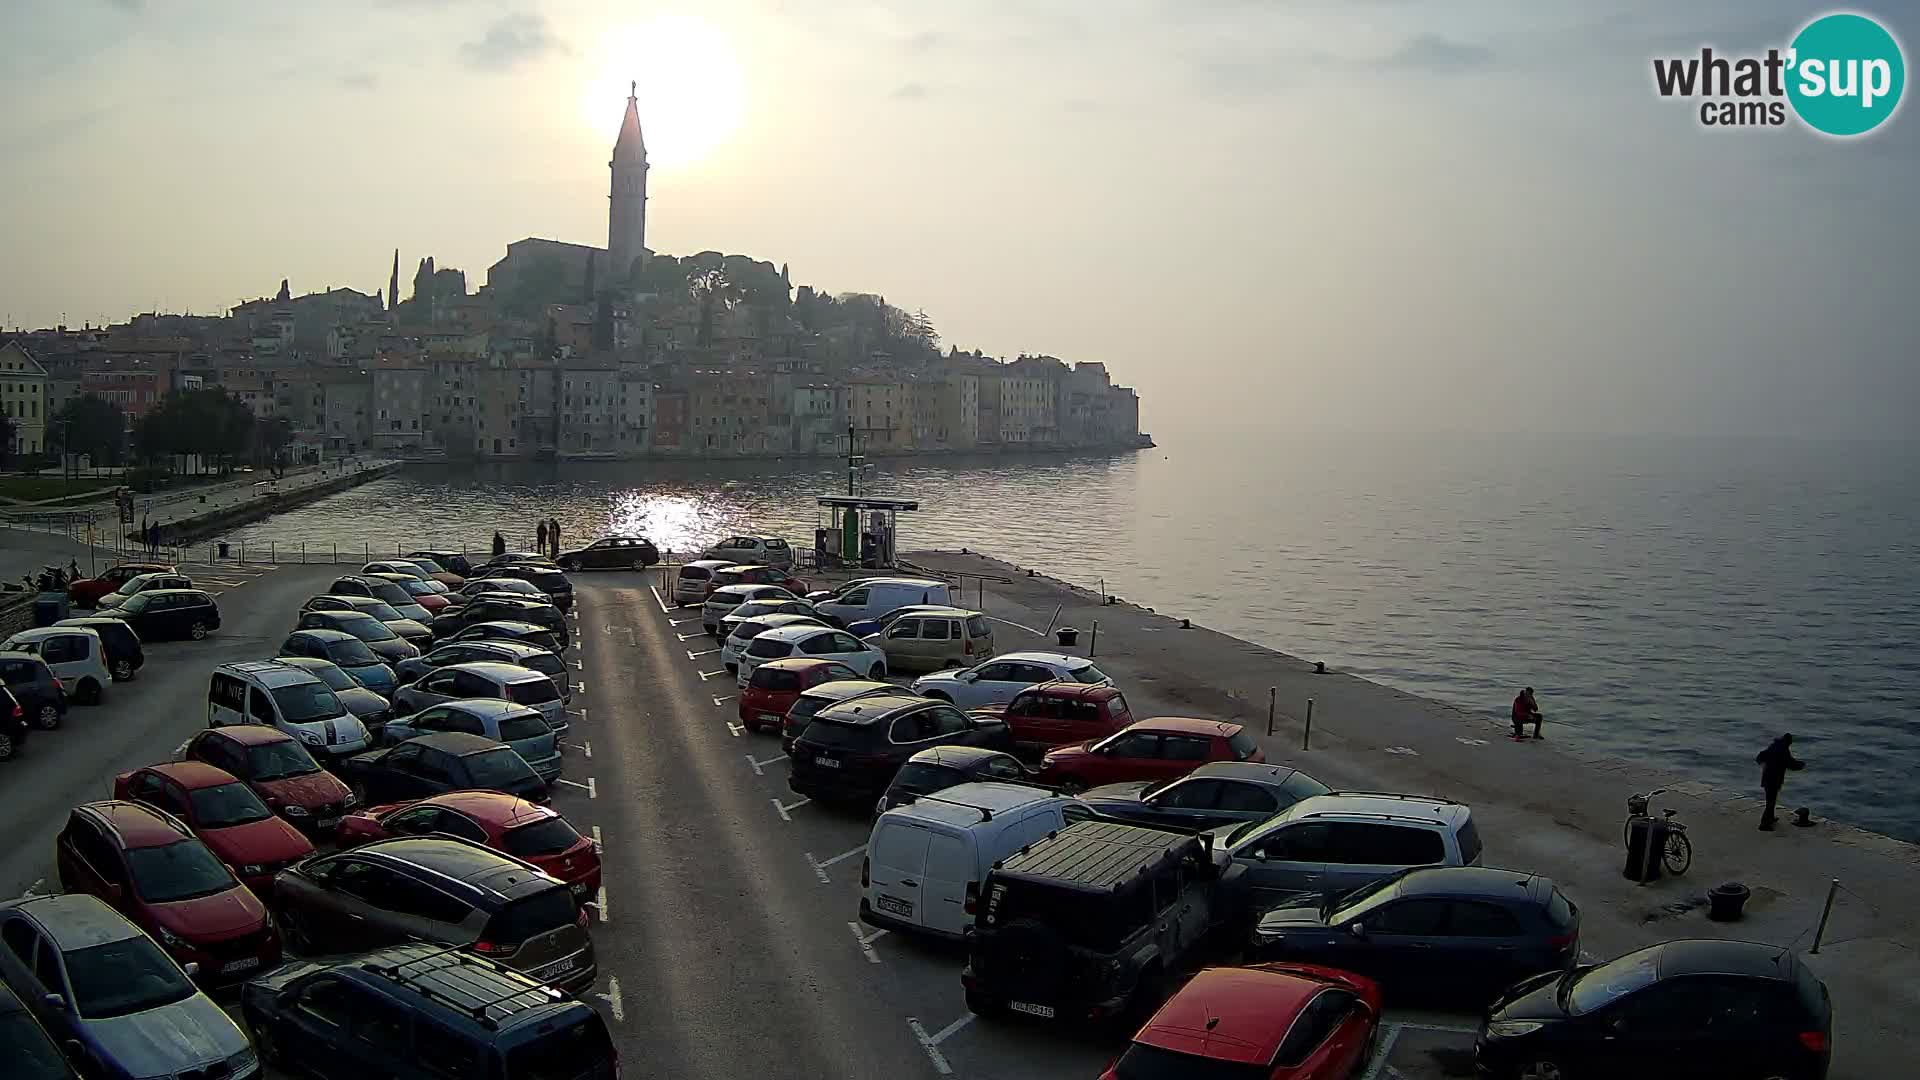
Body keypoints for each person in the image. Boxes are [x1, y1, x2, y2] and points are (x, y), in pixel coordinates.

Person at [1756, 733, 1805, 831]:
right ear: (1788, 742)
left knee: (1771, 800)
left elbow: (1760, 756)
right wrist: (1801, 765)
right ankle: (1764, 824)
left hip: (1767, 778)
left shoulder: (1773, 746)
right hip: (1774, 779)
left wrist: (1765, 765)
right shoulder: (1783, 750)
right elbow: (1790, 763)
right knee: (1771, 801)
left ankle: (1771, 818)